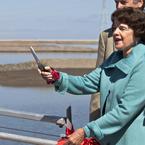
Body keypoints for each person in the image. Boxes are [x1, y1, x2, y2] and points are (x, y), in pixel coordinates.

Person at [39, 7, 145, 145]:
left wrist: (85, 131)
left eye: (122, 28)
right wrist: (57, 77)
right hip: (109, 140)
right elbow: (87, 82)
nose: (116, 32)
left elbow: (125, 111)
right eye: (115, 27)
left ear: (137, 32)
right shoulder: (114, 58)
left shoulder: (142, 62)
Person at [90, 0, 145, 121]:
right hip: (112, 122)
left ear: (140, 2)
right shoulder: (106, 36)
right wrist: (93, 123)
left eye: (123, 2)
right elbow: (97, 84)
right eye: (116, 2)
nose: (118, 6)